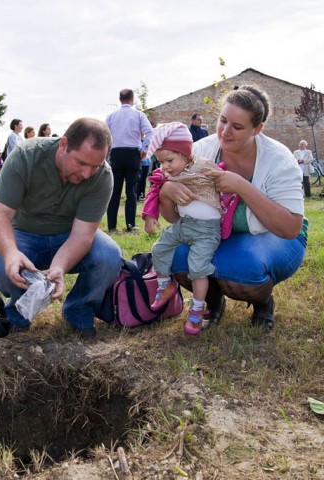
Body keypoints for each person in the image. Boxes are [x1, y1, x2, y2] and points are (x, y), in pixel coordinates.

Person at [156, 85, 306, 333]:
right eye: (222, 121)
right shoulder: (200, 151)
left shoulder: (279, 159)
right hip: (216, 234)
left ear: (257, 129)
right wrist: (167, 194)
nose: (225, 132)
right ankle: (212, 301)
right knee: (175, 256)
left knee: (239, 268)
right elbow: (173, 218)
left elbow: (290, 227)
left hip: (275, 236)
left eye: (237, 127)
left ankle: (263, 302)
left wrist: (242, 187)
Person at [0, 117, 122, 340]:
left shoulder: (103, 177)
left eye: (95, 166)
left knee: (109, 256)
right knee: (2, 264)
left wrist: (59, 266)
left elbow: (82, 234)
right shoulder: (26, 156)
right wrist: (11, 253)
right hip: (25, 234)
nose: (88, 174)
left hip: (69, 235)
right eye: (81, 163)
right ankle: (19, 315)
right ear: (63, 145)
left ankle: (78, 310)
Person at [142, 122, 222, 335]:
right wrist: (149, 215)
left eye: (170, 160)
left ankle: (197, 310)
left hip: (206, 230)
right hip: (184, 225)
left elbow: (224, 180)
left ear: (186, 154)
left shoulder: (203, 167)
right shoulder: (165, 175)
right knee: (159, 249)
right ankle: (165, 284)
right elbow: (153, 191)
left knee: (197, 268)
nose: (165, 166)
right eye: (161, 162)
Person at [106, 88, 153, 232]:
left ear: (120, 100)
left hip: (116, 153)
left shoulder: (111, 116)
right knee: (131, 190)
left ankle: (112, 226)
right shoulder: (138, 115)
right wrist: (144, 150)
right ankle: (130, 225)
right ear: (132, 99)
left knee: (115, 191)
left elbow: (105, 135)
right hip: (133, 153)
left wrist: (108, 152)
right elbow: (149, 131)